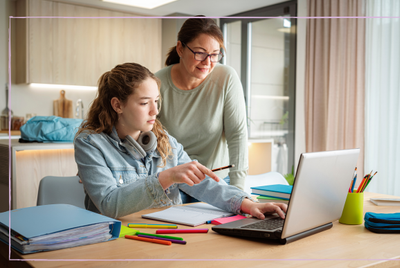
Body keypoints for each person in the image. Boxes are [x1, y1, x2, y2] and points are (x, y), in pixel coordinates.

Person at [74, 62, 286, 219]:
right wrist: (166, 177)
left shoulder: (164, 139)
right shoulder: (90, 144)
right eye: (144, 103)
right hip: (117, 244)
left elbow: (202, 184)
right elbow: (109, 204)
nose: (155, 111)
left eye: (156, 101)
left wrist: (247, 204)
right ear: (117, 105)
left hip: (167, 235)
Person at [155, 18, 248, 194]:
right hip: (175, 186)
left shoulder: (226, 77)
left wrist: (238, 191)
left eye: (214, 54)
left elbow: (237, 134)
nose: (208, 62)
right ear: (180, 48)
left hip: (218, 182)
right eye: (200, 53)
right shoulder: (157, 83)